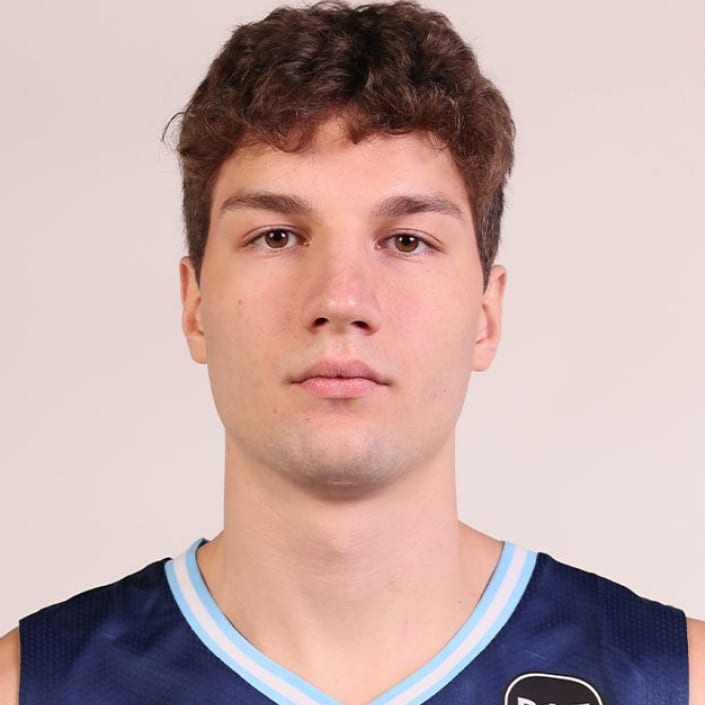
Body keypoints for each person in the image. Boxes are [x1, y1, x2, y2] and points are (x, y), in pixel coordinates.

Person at [1, 1, 703, 703]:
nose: (340, 298)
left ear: (485, 316)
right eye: (276, 236)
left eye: (406, 241)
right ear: (196, 306)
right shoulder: (31, 685)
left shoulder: (675, 681)